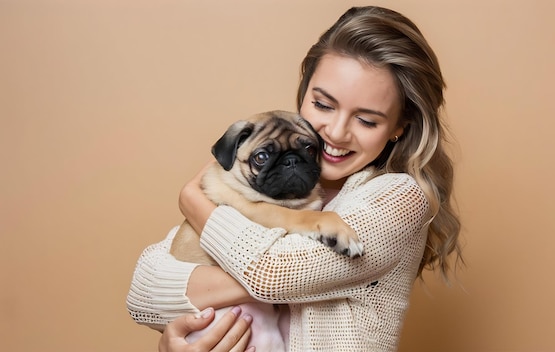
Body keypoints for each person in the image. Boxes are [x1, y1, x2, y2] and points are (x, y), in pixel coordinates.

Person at [127, 5, 463, 351]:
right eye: (323, 105)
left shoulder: (399, 198)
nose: (336, 131)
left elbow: (274, 274)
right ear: (304, 94)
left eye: (366, 120)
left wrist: (194, 201)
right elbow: (141, 294)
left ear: (398, 127)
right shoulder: (272, 167)